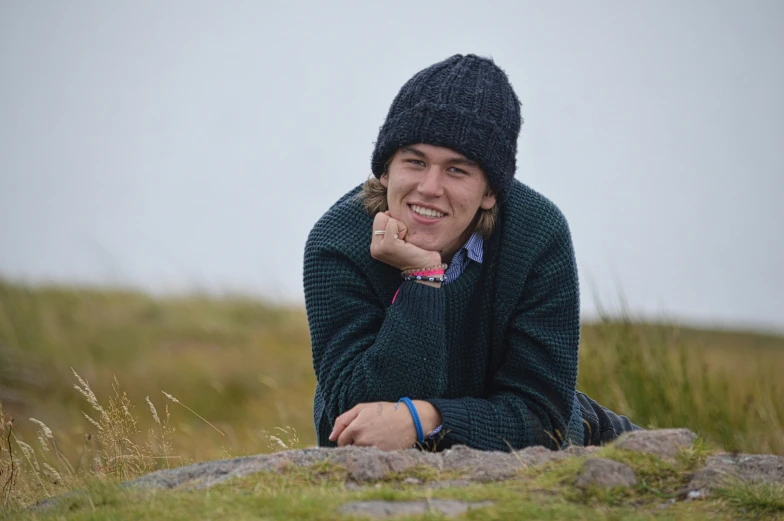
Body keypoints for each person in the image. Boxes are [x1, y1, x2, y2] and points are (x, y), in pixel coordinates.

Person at [303, 54, 640, 452]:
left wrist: (426, 420)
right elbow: (359, 415)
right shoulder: (337, 243)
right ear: (385, 170)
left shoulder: (537, 235)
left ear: (491, 192)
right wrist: (422, 278)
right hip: (476, 424)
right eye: (415, 161)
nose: (429, 187)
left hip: (564, 436)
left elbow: (543, 417)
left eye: (456, 170)